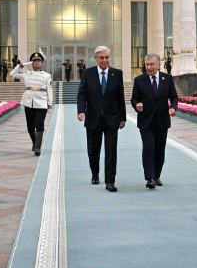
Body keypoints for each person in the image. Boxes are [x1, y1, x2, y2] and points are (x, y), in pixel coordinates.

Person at [76, 46, 126, 192]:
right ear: (96, 59)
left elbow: (120, 97)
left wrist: (122, 118)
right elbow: (82, 94)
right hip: (93, 118)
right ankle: (95, 173)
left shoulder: (117, 74)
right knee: (93, 149)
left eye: (107, 57)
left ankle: (110, 181)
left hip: (112, 118)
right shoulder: (88, 73)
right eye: (102, 58)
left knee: (111, 151)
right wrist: (81, 111)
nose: (105, 60)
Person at [131, 53, 179, 189]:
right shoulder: (139, 80)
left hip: (162, 120)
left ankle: (157, 175)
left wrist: (173, 108)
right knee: (148, 147)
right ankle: (149, 177)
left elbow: (174, 97)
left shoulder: (167, 78)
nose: (149, 67)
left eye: (152, 64)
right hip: (145, 121)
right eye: (147, 64)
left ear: (158, 64)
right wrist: (137, 105)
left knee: (159, 149)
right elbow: (134, 98)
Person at [11, 52, 54, 156]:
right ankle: (34, 143)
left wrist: (50, 104)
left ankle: (38, 147)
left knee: (39, 124)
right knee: (30, 127)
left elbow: (49, 90)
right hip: (29, 102)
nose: (36, 63)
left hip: (41, 102)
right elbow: (12, 74)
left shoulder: (47, 76)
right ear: (31, 63)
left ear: (42, 63)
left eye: (38, 61)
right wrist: (19, 66)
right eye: (34, 61)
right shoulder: (26, 73)